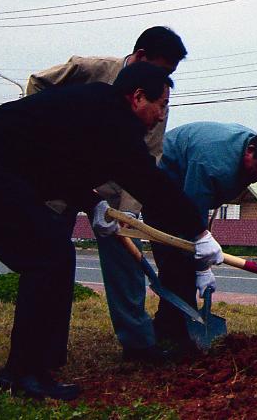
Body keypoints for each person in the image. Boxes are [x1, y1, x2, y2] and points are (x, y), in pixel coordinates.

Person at [0, 63, 223, 401]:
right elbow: (149, 183)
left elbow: (58, 161)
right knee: (50, 258)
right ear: (138, 97)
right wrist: (197, 233)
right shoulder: (115, 119)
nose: (162, 115)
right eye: (161, 105)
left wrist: (92, 203)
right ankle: (26, 372)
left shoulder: (93, 105)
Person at [25, 26, 186, 363]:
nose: (164, 81)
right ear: (140, 57)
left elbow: (151, 154)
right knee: (52, 257)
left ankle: (139, 344)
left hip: (116, 182)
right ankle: (44, 351)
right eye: (161, 70)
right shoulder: (91, 70)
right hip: (63, 174)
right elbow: (39, 82)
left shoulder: (159, 99)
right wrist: (47, 141)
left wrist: (130, 212)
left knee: (127, 255)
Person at [146, 121, 257, 348]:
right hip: (160, 180)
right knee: (177, 262)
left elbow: (205, 206)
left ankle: (172, 327)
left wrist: (202, 243)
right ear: (250, 151)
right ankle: (172, 332)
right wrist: (202, 266)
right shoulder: (214, 162)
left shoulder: (255, 151)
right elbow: (192, 209)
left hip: (188, 188)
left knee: (184, 264)